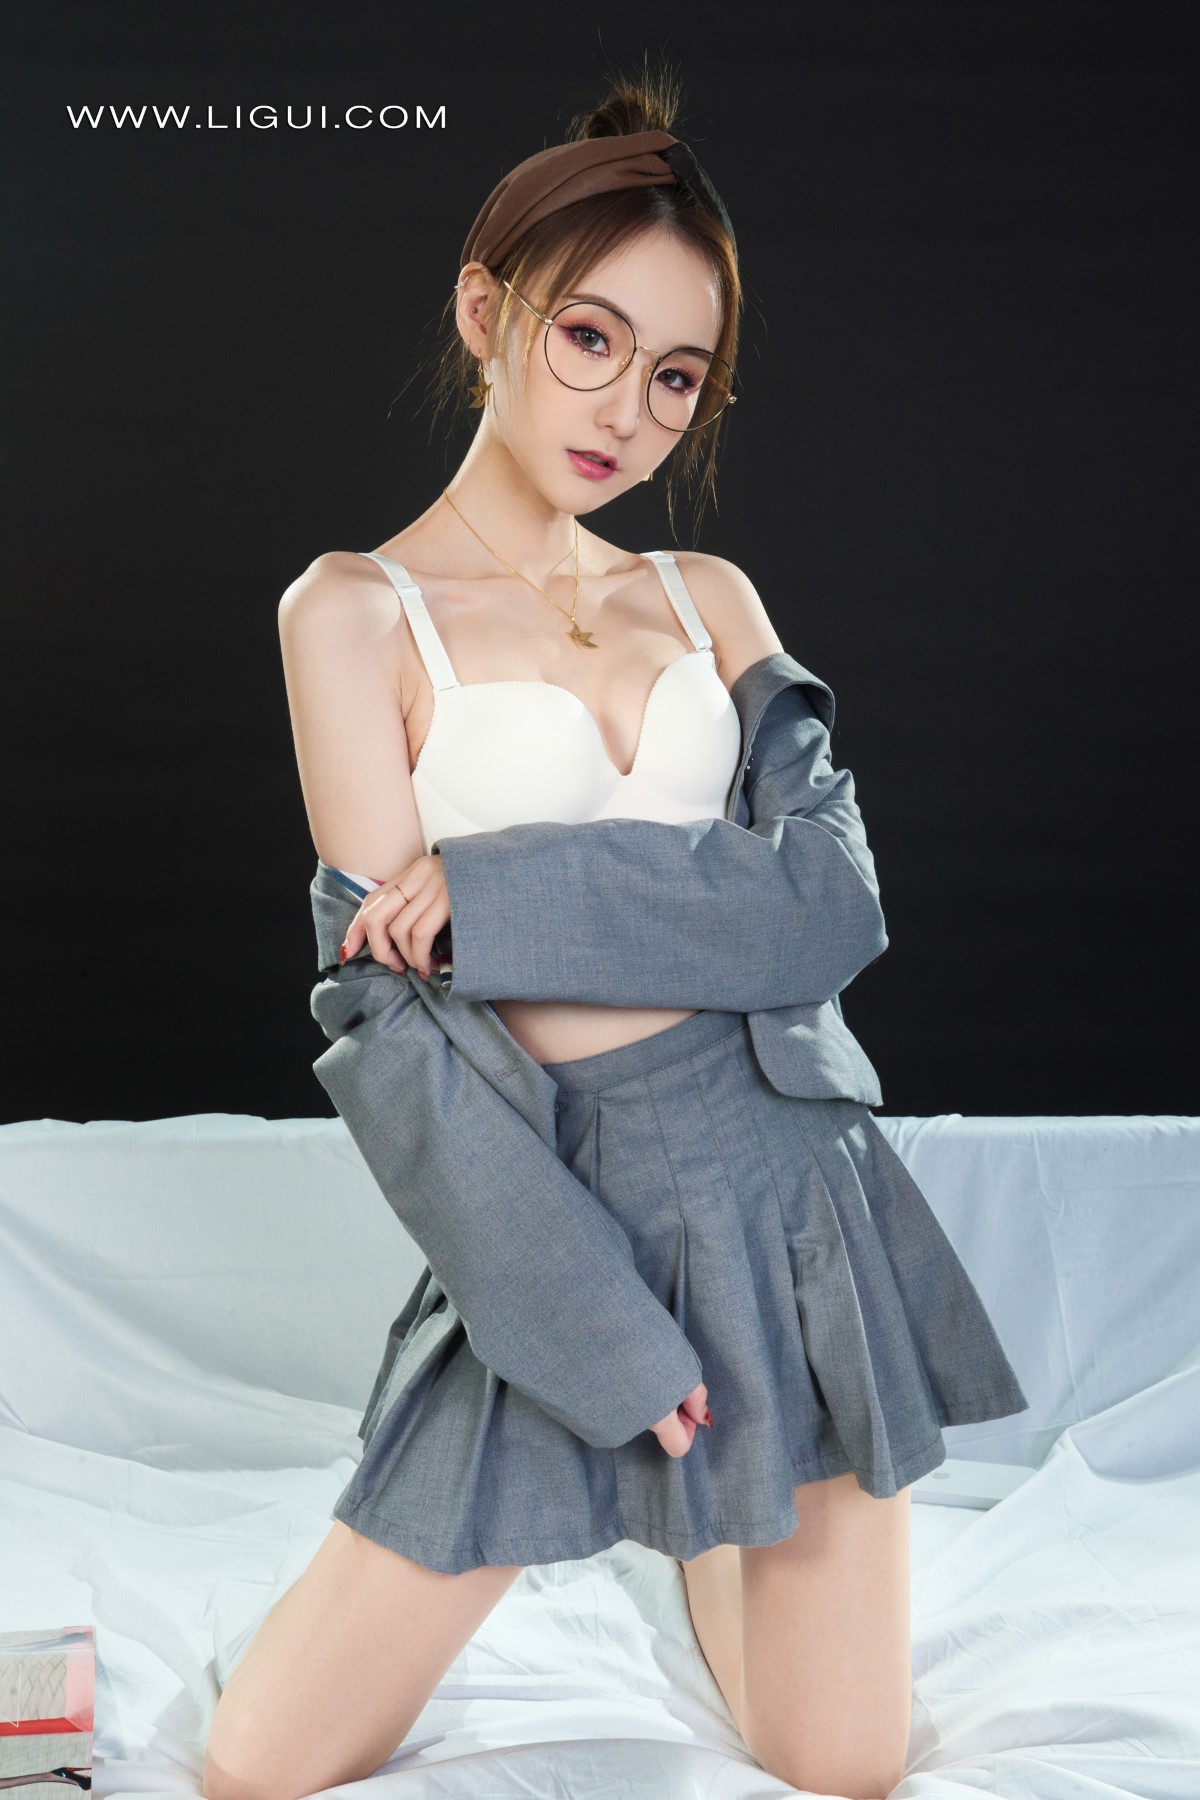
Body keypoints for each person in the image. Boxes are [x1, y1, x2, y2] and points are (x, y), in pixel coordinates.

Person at [204, 65, 1028, 1800]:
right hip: (556, 1203)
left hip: (789, 1188)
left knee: (842, 1764)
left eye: (675, 375)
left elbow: (831, 909)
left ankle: (709, 1524)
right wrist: (594, 1330)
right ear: (485, 311)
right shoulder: (351, 613)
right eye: (590, 337)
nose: (629, 410)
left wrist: (505, 891)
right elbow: (394, 1032)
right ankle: (685, 1491)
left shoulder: (706, 596)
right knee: (261, 1766)